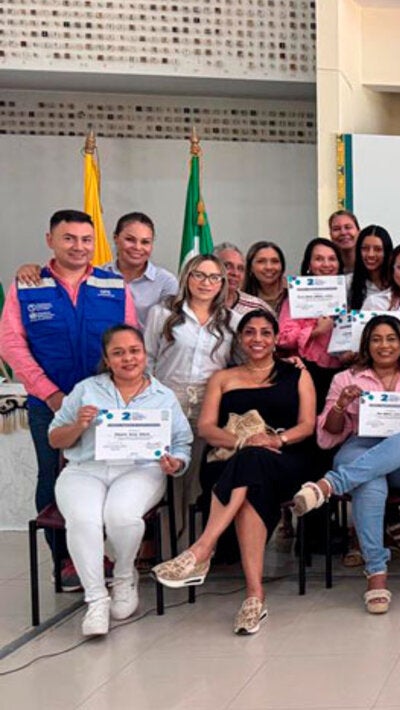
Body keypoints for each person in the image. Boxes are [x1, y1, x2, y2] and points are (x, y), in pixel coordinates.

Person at [152, 310, 319, 636]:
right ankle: (254, 597)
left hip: (287, 459)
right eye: (250, 333)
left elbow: (307, 425)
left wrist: (276, 439)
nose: (257, 339)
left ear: (275, 339)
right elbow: (206, 428)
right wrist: (246, 442)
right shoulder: (223, 378)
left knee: (254, 466)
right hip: (229, 459)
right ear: (240, 339)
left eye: (265, 333)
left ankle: (201, 550)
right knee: (252, 476)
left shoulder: (297, 374)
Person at [0, 209, 138, 591]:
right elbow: (12, 345)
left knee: (107, 479)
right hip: (50, 405)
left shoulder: (113, 285)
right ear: (50, 240)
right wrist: (51, 393)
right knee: (54, 477)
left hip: (107, 406)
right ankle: (65, 561)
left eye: (86, 239)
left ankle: (100, 555)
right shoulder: (27, 286)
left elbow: (129, 340)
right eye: (69, 239)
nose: (79, 247)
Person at [289, 315, 400, 614]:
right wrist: (342, 405)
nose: (384, 345)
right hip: (360, 445)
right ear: (366, 344)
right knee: (369, 480)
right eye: (376, 339)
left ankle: (330, 484)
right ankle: (377, 573)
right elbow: (329, 433)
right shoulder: (346, 378)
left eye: (391, 338)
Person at [51, 325, 191, 635]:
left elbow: (182, 443)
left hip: (140, 469)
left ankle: (125, 574)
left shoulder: (162, 396)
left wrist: (175, 462)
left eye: (134, 351)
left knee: (121, 516)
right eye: (119, 353)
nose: (128, 358)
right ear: (107, 358)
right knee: (83, 521)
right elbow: (54, 438)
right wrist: (78, 425)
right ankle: (97, 600)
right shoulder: (86, 389)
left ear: (145, 354)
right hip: (85, 469)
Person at [145, 255, 237, 514]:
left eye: (214, 277)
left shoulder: (230, 320)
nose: (206, 283)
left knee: (197, 477)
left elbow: (242, 363)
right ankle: (161, 546)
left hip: (208, 406)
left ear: (222, 283)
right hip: (165, 402)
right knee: (163, 473)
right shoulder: (162, 313)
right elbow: (148, 358)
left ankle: (193, 547)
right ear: (187, 277)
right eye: (199, 275)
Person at [14, 213, 178, 328]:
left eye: (145, 242)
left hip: (149, 362)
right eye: (130, 239)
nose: (137, 247)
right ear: (115, 238)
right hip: (101, 360)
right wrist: (33, 269)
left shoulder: (166, 282)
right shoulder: (96, 276)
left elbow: (170, 329)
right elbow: (65, 271)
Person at [276, 238, 347, 399]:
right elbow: (282, 338)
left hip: (341, 371)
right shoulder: (295, 296)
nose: (326, 264)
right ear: (309, 264)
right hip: (304, 370)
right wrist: (315, 331)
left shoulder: (348, 296)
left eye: (332, 259)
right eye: (319, 259)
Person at [214, 242, 271, 318]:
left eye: (240, 268)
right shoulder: (197, 305)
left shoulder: (257, 308)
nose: (235, 273)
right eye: (227, 266)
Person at [347, 225, 393, 311]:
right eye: (365, 249)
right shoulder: (348, 283)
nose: (370, 254)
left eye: (377, 249)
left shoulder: (397, 283)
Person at [242, 241, 288, 314]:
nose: (268, 267)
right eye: (261, 261)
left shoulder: (293, 293)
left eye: (275, 261)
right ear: (251, 267)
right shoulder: (241, 298)